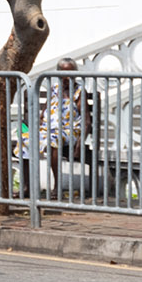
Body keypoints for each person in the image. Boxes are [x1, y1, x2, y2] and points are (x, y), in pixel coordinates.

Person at [20, 57, 97, 197]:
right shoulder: (54, 89)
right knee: (25, 140)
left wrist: (80, 143)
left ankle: (57, 186)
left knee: (52, 140)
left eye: (70, 73)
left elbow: (87, 122)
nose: (67, 77)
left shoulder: (79, 92)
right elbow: (44, 113)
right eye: (63, 73)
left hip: (69, 131)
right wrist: (36, 128)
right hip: (48, 129)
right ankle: (27, 187)